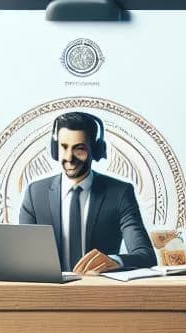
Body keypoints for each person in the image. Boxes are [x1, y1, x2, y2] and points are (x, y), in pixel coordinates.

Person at [19, 111, 156, 274]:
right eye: (63, 147)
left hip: (100, 293)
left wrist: (114, 261)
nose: (69, 157)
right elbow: (23, 257)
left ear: (96, 150)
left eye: (79, 149)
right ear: (55, 149)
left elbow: (146, 255)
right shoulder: (35, 193)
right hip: (50, 294)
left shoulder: (120, 193)